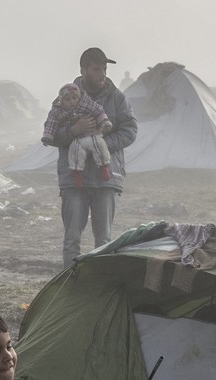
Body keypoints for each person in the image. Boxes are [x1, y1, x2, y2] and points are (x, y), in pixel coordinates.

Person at [54, 47, 138, 266]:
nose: (102, 74)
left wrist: (99, 145)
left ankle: (98, 290)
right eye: (96, 69)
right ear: (83, 70)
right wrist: (74, 131)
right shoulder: (66, 98)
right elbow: (52, 133)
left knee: (104, 241)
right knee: (72, 239)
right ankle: (71, 288)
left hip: (105, 177)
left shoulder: (117, 98)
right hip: (74, 177)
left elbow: (130, 130)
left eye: (104, 69)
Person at [43, 83, 113, 187]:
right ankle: (78, 174)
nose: (72, 102)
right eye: (68, 100)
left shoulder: (86, 103)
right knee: (75, 153)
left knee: (99, 146)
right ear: (62, 102)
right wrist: (48, 137)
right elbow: (51, 124)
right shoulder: (58, 111)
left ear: (79, 97)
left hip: (92, 135)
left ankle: (104, 167)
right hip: (76, 139)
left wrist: (105, 123)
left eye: (74, 98)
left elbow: (99, 112)